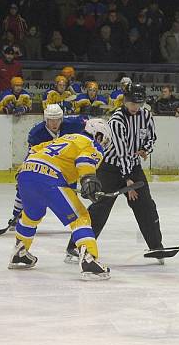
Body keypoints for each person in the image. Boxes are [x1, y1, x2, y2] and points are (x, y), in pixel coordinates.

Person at [66, 84, 165, 263]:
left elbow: (152, 137)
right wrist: (128, 180)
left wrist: (145, 149)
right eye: (133, 103)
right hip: (111, 168)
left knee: (146, 206)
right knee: (100, 207)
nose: (136, 107)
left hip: (133, 167)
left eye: (139, 103)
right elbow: (121, 152)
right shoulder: (117, 120)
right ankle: (76, 245)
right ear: (125, 100)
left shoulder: (146, 115)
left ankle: (156, 247)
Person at [8, 118, 113, 281]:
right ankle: (89, 260)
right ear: (99, 135)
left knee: (31, 216)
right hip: (50, 178)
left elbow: (35, 150)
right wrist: (88, 179)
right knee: (81, 217)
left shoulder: (64, 138)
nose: (103, 143)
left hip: (26, 173)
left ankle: (19, 253)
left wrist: (26, 173)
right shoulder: (91, 143)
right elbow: (85, 159)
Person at [4, 104, 87, 232]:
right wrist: (24, 168)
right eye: (51, 120)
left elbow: (88, 122)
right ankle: (16, 215)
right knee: (24, 186)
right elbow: (32, 153)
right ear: (45, 119)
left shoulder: (73, 124)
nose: (54, 123)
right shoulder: (37, 133)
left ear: (62, 119)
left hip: (67, 166)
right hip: (46, 166)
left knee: (70, 192)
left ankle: (76, 221)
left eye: (57, 120)